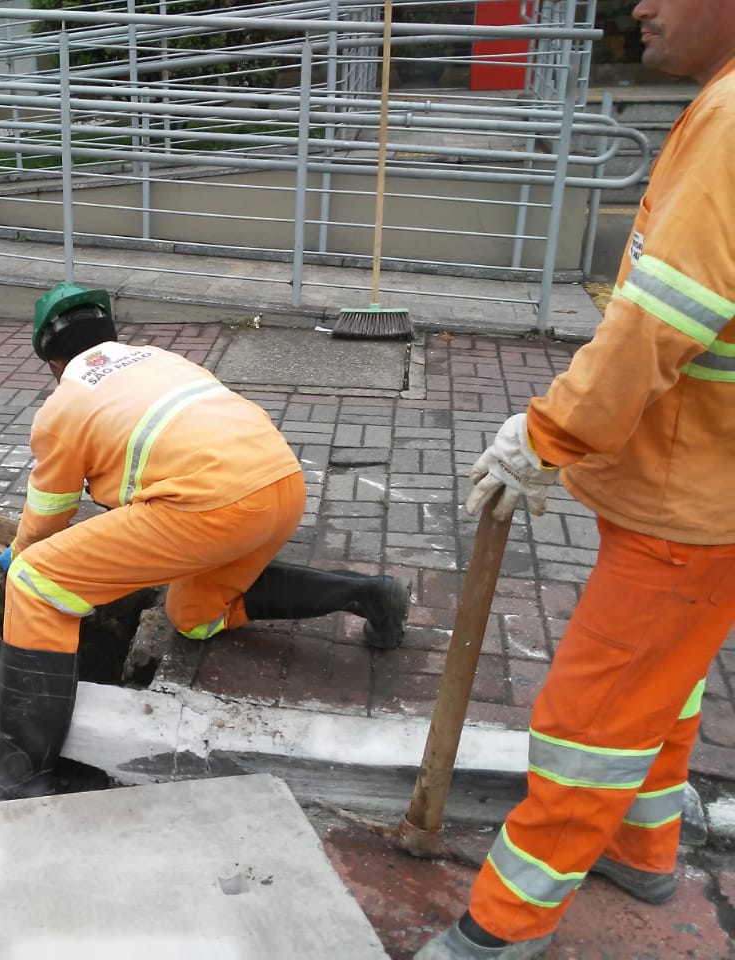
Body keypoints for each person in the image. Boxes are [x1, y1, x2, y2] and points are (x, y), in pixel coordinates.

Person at [416, 1, 735, 957]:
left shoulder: (731, 121)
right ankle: (644, 852)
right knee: (662, 689)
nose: (638, 6)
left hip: (693, 496)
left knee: (590, 719)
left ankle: (505, 927)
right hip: (705, 481)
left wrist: (546, 437)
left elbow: (658, 321)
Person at [0, 282, 411, 806]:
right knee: (192, 616)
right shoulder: (160, 360)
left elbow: (50, 513)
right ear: (110, 336)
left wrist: (21, 553)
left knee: (36, 582)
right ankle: (367, 593)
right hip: (281, 484)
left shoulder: (63, 405)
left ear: (52, 360)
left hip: (208, 506)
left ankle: (21, 770)